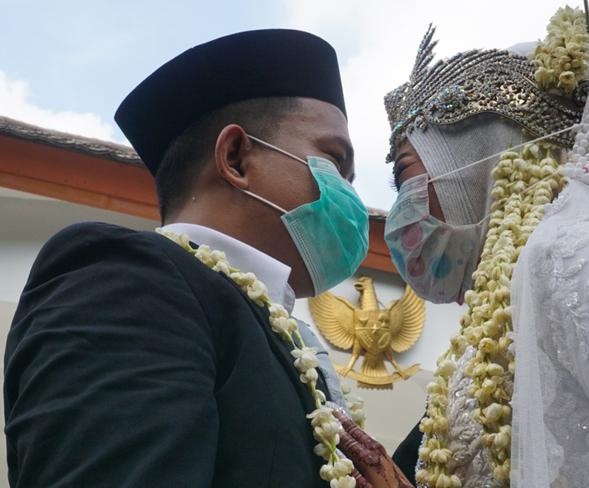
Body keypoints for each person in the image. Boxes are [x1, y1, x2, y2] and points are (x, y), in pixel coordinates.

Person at [4, 29, 411, 488]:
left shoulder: (285, 335)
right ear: (236, 157)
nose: (351, 199)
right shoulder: (131, 278)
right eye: (335, 163)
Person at [383, 4, 589, 488]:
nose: (401, 204)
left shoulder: (575, 257)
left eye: (405, 172)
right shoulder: (491, 327)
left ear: (476, 161)